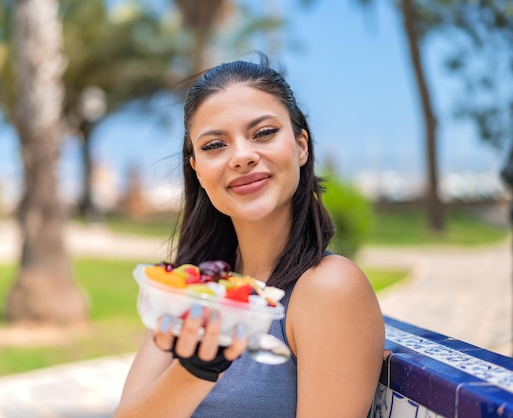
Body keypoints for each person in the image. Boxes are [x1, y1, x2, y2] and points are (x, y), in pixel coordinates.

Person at [115, 56, 385, 418]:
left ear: (301, 146)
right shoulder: (192, 285)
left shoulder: (329, 288)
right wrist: (195, 372)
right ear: (196, 168)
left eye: (263, 133)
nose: (241, 156)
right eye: (214, 145)